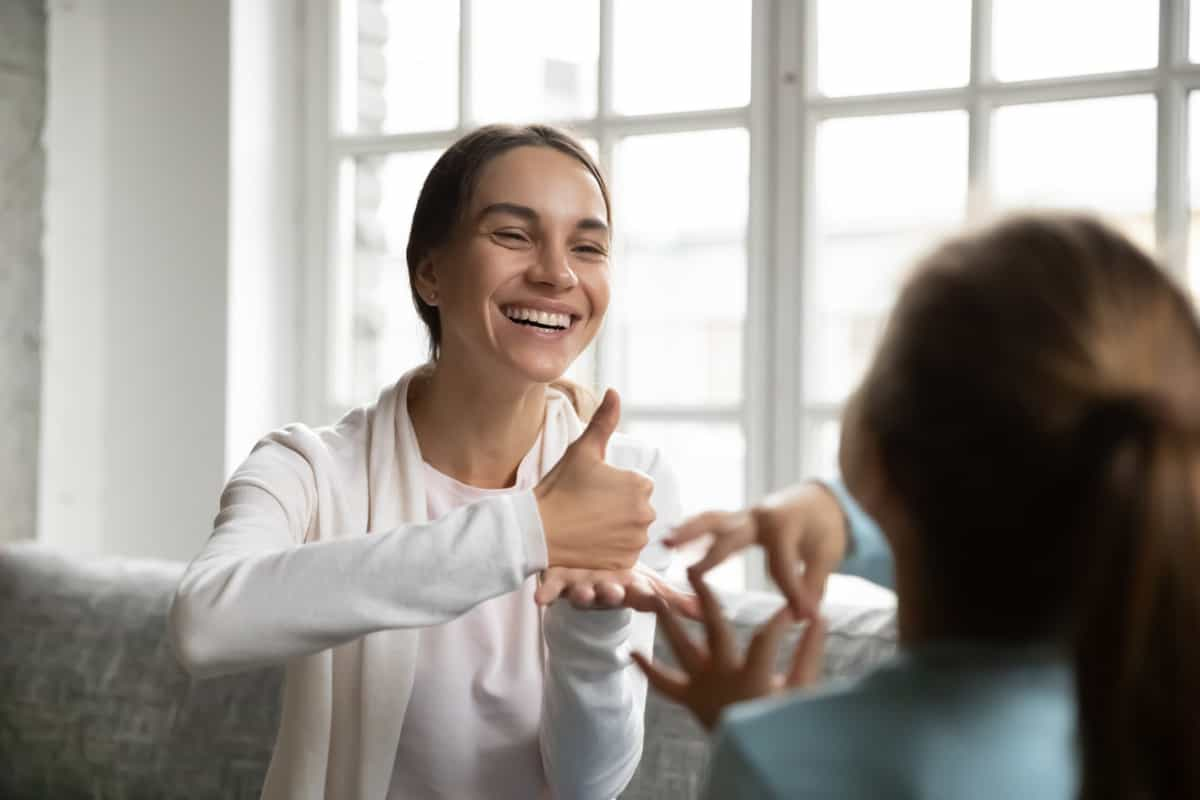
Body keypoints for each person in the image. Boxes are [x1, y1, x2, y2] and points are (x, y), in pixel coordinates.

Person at [169, 124, 696, 800]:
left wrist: (592, 634)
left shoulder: (624, 481)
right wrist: (528, 532)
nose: (557, 273)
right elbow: (205, 622)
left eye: (587, 247)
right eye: (513, 234)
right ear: (430, 270)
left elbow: (589, 783)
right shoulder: (308, 470)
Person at [638, 213, 1200, 799]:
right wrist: (846, 518)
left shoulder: (777, 758)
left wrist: (750, 726)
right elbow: (1012, 538)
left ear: (876, 455)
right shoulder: (1163, 726)